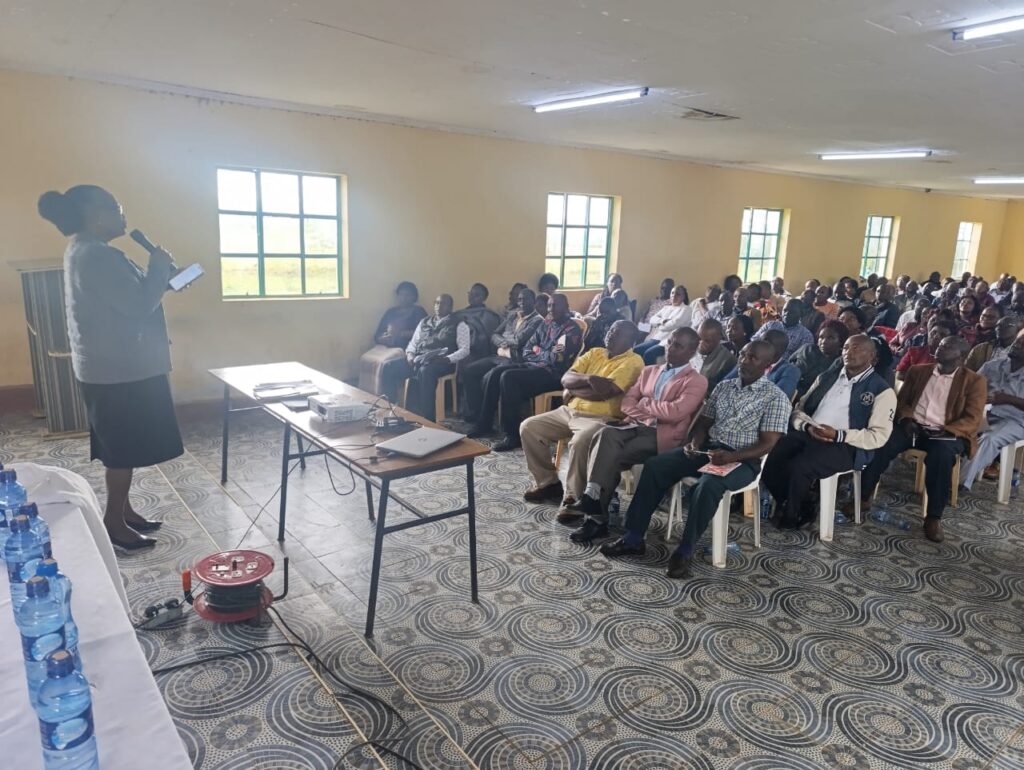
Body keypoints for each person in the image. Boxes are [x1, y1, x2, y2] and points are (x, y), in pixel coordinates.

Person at [38, 185, 182, 549]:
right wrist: (159, 268)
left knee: (122, 446)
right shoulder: (96, 256)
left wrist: (160, 278)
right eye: (118, 208)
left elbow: (133, 295)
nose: (123, 216)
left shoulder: (89, 251)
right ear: (96, 214)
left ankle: (126, 511)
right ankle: (114, 521)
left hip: (113, 367)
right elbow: (137, 306)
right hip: (119, 372)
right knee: (121, 449)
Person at [598, 341, 791, 578]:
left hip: (743, 460)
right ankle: (634, 537)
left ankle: (685, 549)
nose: (743, 361)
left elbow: (767, 444)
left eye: (752, 358)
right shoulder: (725, 387)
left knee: (708, 484)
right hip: (708, 450)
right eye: (742, 354)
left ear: (767, 365)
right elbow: (703, 423)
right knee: (656, 466)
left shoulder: (775, 398)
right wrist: (696, 443)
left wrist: (731, 456)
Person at [564, 328, 709, 541]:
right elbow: (626, 403)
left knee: (607, 455)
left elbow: (676, 412)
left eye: (678, 345)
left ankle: (596, 520)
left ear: (692, 351)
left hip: (661, 435)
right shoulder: (650, 371)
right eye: (670, 342)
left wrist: (645, 403)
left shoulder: (696, 380)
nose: (670, 348)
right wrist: (647, 409)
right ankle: (593, 496)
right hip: (633, 426)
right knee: (605, 435)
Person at [855, 336, 986, 542]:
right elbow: (902, 401)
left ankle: (933, 517)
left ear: (961, 357)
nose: (941, 347)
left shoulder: (974, 381)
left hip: (946, 433)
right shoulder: (919, 371)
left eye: (948, 346)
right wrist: (906, 418)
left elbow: (973, 418)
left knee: (941, 457)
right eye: (941, 344)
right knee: (882, 442)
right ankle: (863, 497)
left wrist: (948, 430)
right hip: (914, 427)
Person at [764, 335, 895, 529]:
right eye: (845, 348)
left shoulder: (881, 390)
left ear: (873, 357)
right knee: (770, 454)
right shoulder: (826, 377)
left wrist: (838, 435)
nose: (849, 352)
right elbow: (799, 409)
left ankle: (793, 514)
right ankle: (803, 501)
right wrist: (808, 426)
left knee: (800, 466)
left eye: (857, 348)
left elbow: (878, 436)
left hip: (847, 445)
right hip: (811, 432)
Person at [519, 321, 643, 509]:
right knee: (529, 427)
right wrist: (590, 378)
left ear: (631, 340)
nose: (610, 335)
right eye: (610, 330)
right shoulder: (595, 352)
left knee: (581, 440)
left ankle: (573, 497)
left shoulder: (633, 361)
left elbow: (606, 392)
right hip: (569, 411)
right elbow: (566, 378)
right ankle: (548, 483)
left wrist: (574, 390)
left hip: (601, 418)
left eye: (617, 334)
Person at [468, 293, 583, 450]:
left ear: (566, 307)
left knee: (508, 377)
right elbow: (528, 349)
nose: (551, 309)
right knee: (496, 373)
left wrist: (539, 351)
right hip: (533, 366)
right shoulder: (546, 323)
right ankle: (485, 423)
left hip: (552, 374)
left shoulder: (571, 330)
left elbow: (556, 359)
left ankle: (513, 435)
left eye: (555, 305)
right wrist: (541, 351)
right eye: (549, 305)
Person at [460, 289, 543, 418]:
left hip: (515, 359)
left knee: (490, 377)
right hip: (499, 355)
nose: (521, 302)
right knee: (468, 370)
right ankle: (474, 412)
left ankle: (486, 416)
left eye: (525, 299)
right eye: (520, 299)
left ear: (534, 301)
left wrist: (505, 338)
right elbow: (494, 334)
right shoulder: (513, 315)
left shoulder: (537, 320)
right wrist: (503, 341)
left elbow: (519, 341)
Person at [961, 331, 1024, 490]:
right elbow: (970, 388)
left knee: (989, 439)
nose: (1016, 345)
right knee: (953, 427)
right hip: (983, 414)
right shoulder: (993, 365)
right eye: (1017, 341)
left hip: (1015, 420)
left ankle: (958, 483)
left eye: (1022, 345)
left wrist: (1006, 399)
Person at [400, 294, 471, 422]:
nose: (438, 306)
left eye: (443, 304)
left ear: (450, 307)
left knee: (425, 371)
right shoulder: (424, 321)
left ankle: (427, 419)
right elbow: (413, 343)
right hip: (420, 359)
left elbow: (465, 349)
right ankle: (393, 412)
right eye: (437, 303)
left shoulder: (459, 323)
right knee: (391, 366)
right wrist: (410, 354)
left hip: (443, 363)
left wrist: (447, 359)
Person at [358, 281, 429, 399]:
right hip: (385, 346)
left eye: (408, 295)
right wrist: (383, 338)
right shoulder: (390, 312)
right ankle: (368, 397)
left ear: (414, 297)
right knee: (366, 359)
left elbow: (424, 333)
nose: (404, 298)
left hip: (403, 348)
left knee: (384, 364)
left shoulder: (418, 311)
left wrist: (401, 334)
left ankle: (386, 399)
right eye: (401, 295)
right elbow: (377, 335)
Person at [723, 329, 800, 399]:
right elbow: (725, 383)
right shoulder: (747, 359)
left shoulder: (790, 371)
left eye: (766, 344)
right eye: (760, 341)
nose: (759, 346)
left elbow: (779, 398)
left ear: (780, 351)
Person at [633, 284, 692, 364]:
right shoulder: (666, 308)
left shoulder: (686, 309)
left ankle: (649, 375)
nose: (674, 296)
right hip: (656, 338)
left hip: (669, 341)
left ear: (683, 297)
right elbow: (652, 319)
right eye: (672, 293)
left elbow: (674, 324)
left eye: (678, 294)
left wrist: (659, 326)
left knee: (649, 354)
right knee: (635, 350)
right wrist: (662, 321)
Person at [790, 319, 848, 398]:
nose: (823, 341)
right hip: (790, 388)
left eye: (830, 338)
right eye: (821, 337)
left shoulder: (840, 362)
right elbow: (789, 364)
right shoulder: (808, 349)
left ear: (841, 340)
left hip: (812, 399)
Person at [458, 283, 503, 358]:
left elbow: (487, 338)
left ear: (484, 299)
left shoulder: (489, 315)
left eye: (476, 295)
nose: (472, 297)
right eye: (471, 294)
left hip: (477, 350)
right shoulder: (460, 313)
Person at [692, 319, 737, 393]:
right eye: (699, 339)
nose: (701, 343)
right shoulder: (690, 349)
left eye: (707, 341)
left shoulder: (727, 360)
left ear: (719, 339)